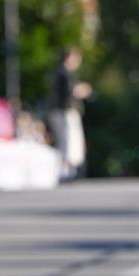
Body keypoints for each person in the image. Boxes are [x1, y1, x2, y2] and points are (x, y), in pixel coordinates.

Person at [48, 48, 91, 180]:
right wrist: (82, 90)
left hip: (62, 111)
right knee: (66, 141)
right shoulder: (64, 74)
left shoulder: (62, 73)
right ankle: (65, 170)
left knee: (67, 141)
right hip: (64, 112)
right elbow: (69, 92)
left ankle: (67, 169)